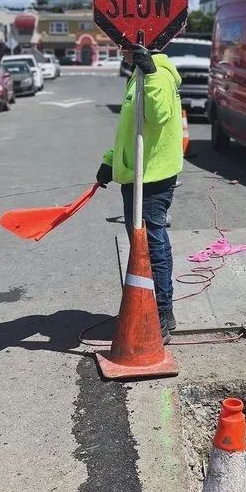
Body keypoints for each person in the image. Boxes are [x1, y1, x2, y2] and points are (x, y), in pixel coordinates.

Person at [96, 43, 183, 343]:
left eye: (123, 44)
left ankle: (159, 316)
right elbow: (130, 130)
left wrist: (151, 71)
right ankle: (160, 311)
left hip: (152, 177)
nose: (119, 49)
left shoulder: (157, 74)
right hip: (138, 175)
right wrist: (111, 161)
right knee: (149, 244)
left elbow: (158, 117)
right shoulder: (138, 74)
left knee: (150, 247)